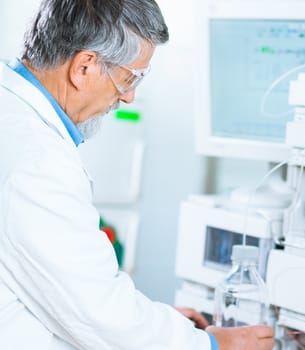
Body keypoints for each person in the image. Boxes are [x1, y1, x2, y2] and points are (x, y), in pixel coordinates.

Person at [0, 0, 275, 349]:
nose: (129, 97)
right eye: (129, 78)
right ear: (84, 67)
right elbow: (97, 314)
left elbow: (73, 293)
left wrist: (157, 326)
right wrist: (211, 345)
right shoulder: (38, 165)